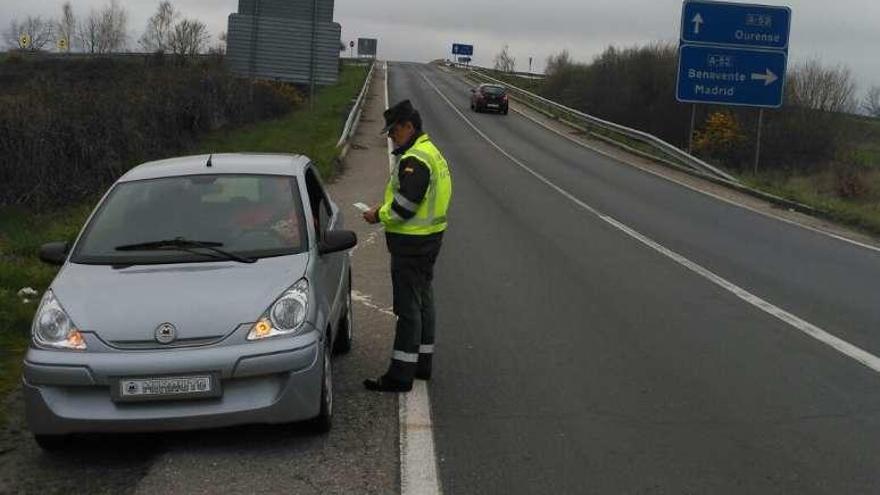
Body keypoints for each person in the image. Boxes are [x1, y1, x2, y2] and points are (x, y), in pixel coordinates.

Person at [362, 99, 453, 392]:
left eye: (394, 131)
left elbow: (405, 206)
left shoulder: (415, 159)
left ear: (409, 126)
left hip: (412, 244)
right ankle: (422, 364)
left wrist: (378, 214)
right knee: (424, 301)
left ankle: (400, 375)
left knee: (408, 309)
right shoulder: (431, 152)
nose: (391, 137)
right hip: (430, 239)